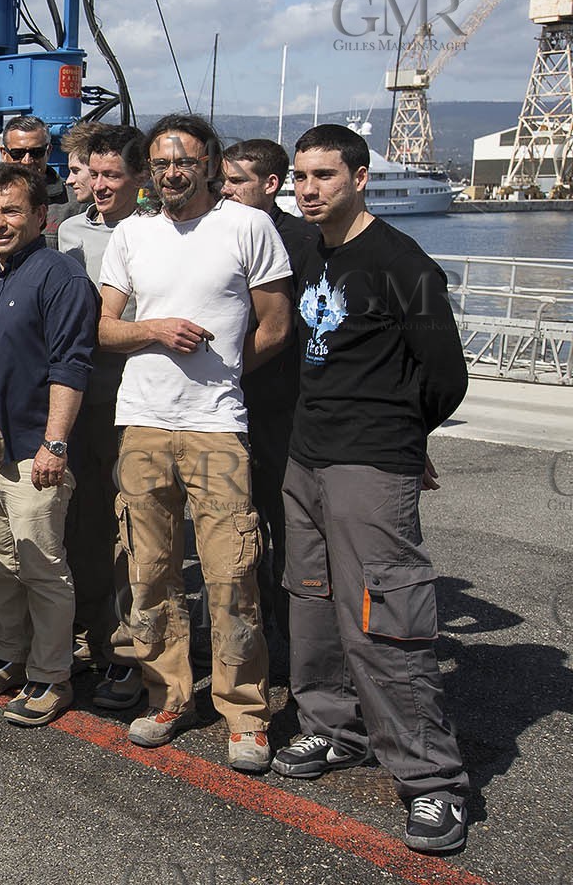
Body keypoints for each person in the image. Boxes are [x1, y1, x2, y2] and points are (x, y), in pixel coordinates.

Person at [272, 124, 471, 855]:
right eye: (300, 176)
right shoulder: (311, 251)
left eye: (324, 175)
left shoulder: (403, 263)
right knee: (313, 604)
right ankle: (333, 729)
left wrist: (402, 441)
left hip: (370, 465)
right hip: (306, 458)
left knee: (386, 619)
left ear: (360, 177)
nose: (309, 189)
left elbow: (447, 376)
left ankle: (432, 779)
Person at [97, 113, 292, 771]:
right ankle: (168, 694)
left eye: (183, 161)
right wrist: (154, 330)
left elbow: (274, 326)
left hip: (216, 428)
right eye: (160, 164)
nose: (171, 173)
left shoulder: (247, 226)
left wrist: (226, 373)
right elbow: (104, 328)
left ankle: (245, 713)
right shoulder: (130, 233)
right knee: (149, 573)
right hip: (143, 422)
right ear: (148, 172)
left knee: (232, 571)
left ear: (207, 162)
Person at [0, 161, 97, 728]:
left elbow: (72, 365)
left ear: (42, 215)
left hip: (33, 451)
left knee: (40, 565)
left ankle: (52, 674)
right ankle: (10, 656)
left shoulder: (61, 278)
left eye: (11, 211)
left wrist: (55, 446)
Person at [56, 123, 150, 712]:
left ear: (138, 179)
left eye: (112, 175)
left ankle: (128, 653)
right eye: (93, 173)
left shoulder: (154, 235)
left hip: (135, 400)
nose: (98, 185)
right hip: (80, 400)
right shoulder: (68, 231)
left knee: (133, 532)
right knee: (82, 525)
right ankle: (90, 635)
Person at [222, 139, 317, 652]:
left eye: (237, 181)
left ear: (271, 184)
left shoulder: (303, 241)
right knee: (236, 527)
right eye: (224, 181)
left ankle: (291, 640)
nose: (227, 190)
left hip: (280, 404)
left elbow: (292, 328)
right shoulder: (219, 231)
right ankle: (244, 633)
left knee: (286, 529)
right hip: (230, 406)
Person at [0, 115, 62, 249]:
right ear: (4, 153)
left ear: (48, 151)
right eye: (17, 153)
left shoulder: (73, 204)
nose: (27, 161)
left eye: (36, 152)